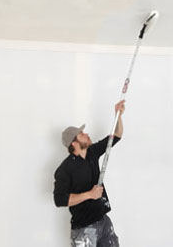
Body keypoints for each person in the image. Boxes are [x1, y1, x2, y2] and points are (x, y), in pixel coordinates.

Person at [53, 100, 126, 247]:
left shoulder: (92, 152)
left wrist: (118, 115)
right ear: (74, 143)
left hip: (103, 221)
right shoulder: (65, 169)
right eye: (81, 134)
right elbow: (59, 200)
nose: (86, 134)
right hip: (84, 229)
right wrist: (89, 195)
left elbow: (116, 136)